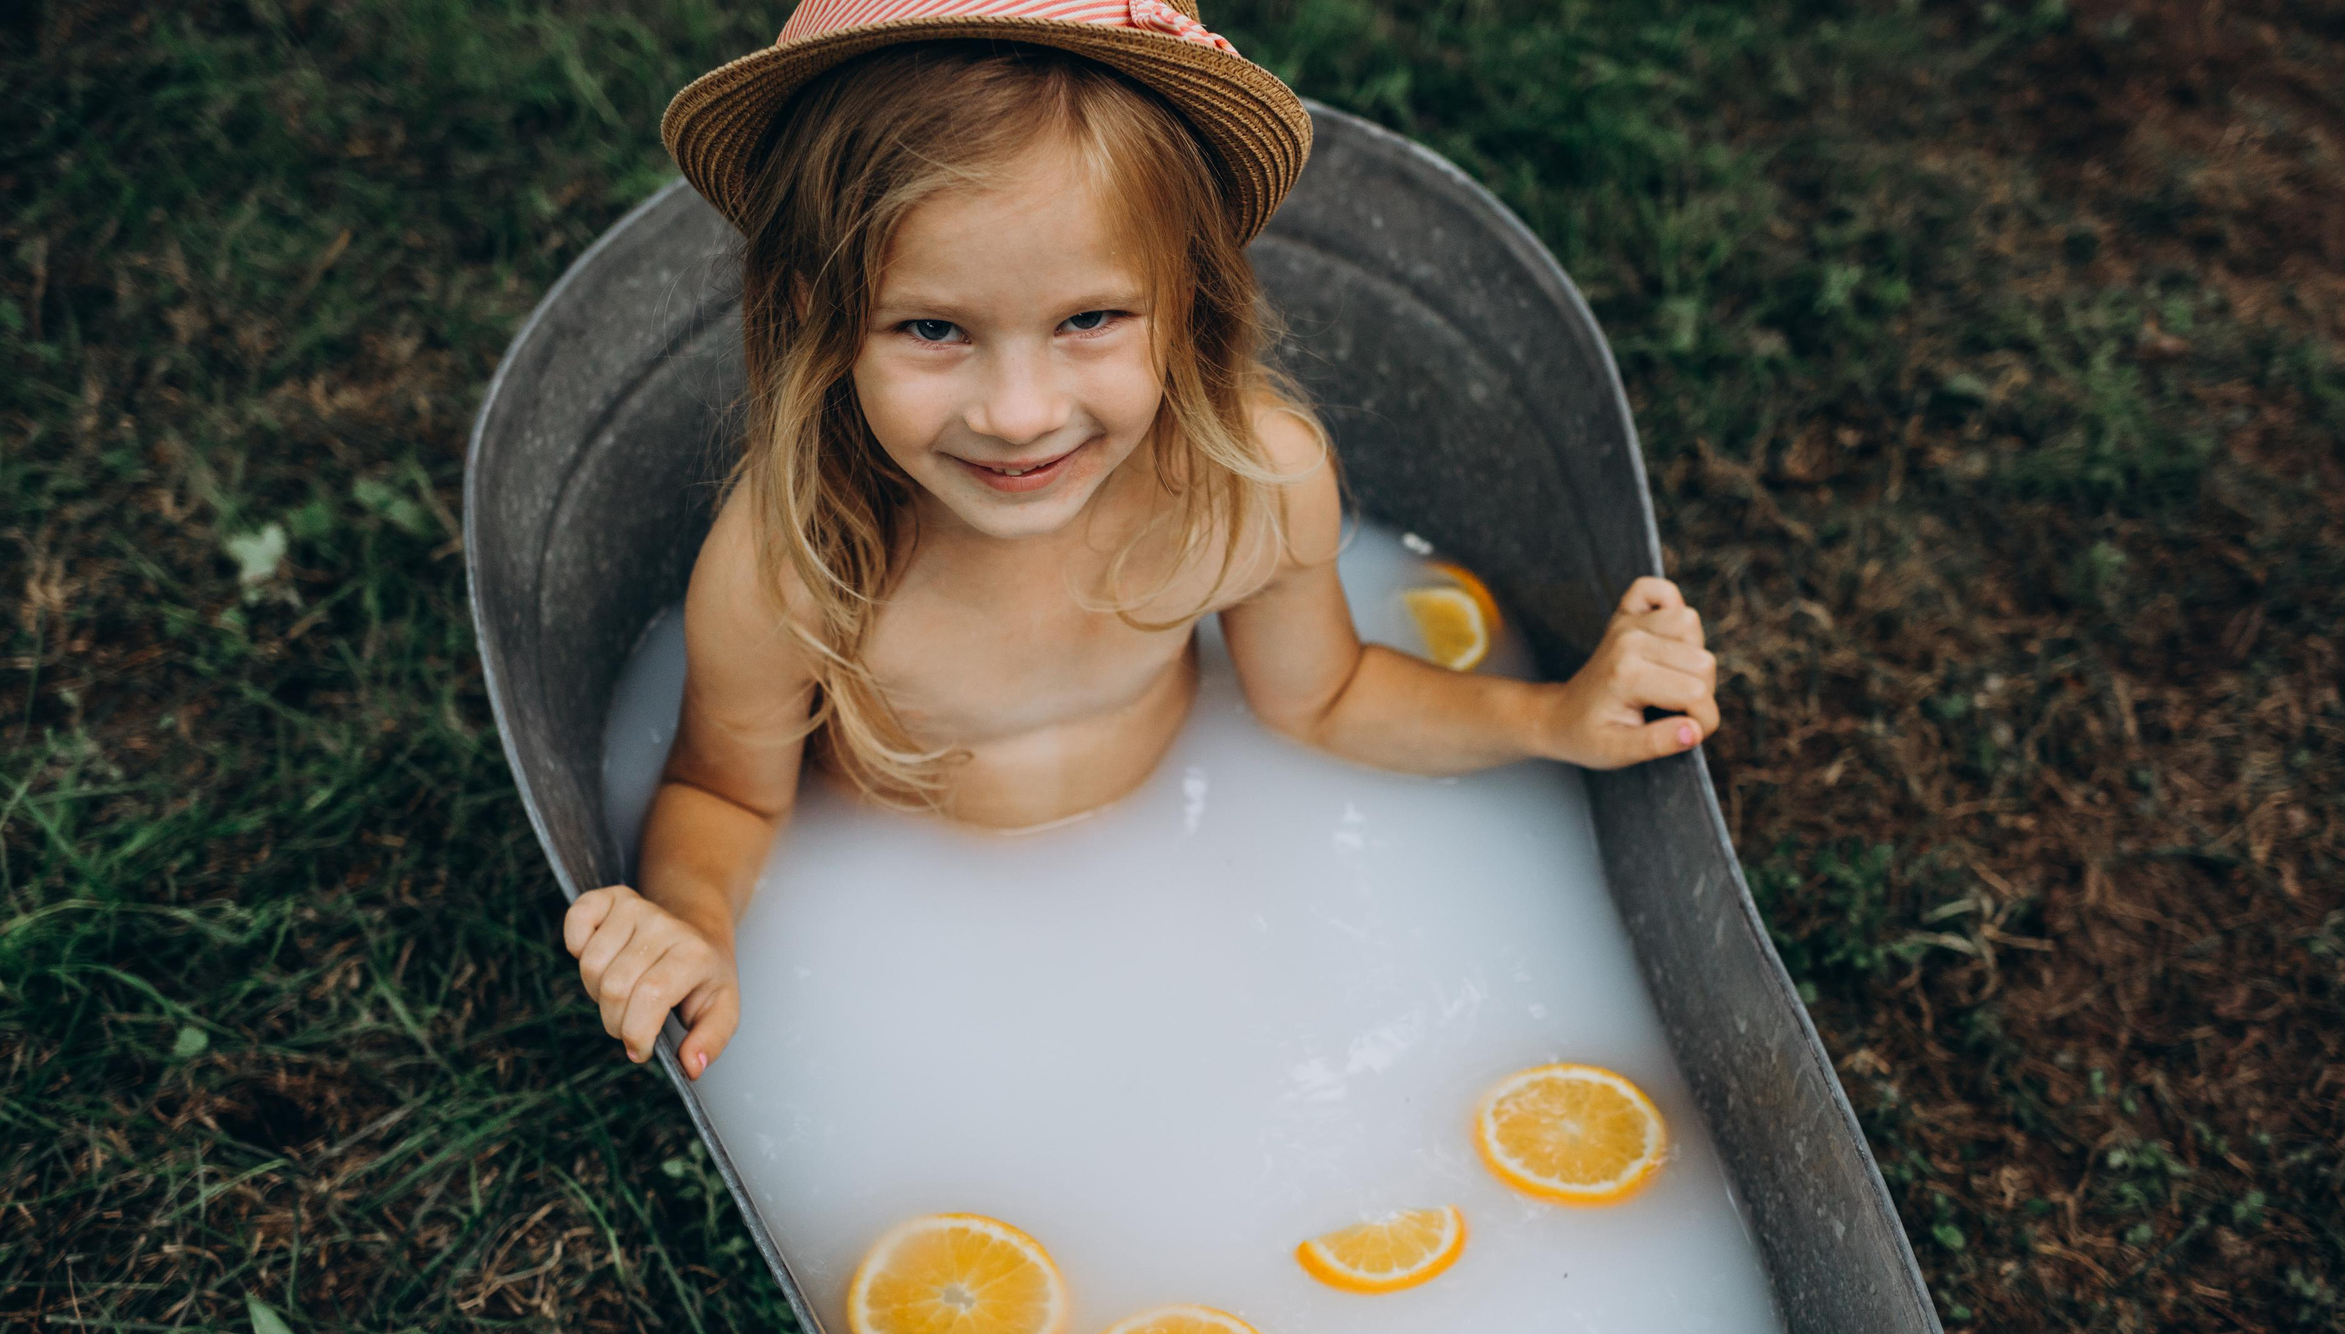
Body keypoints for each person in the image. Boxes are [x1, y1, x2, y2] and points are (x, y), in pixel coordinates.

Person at [564, 0, 1722, 1080]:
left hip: (1187, 868)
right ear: (819, 318)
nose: (1018, 411)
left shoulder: (1245, 484)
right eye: (931, 328)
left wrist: (1552, 717)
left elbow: (1323, 700)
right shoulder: (795, 562)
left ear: (1188, 299)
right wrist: (695, 927)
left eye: (1089, 320)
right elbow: (727, 799)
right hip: (922, 929)